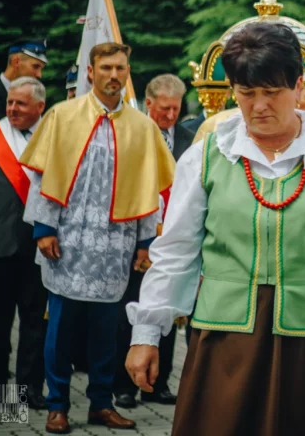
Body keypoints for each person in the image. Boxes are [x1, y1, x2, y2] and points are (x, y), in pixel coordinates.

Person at [125, 22, 305, 436]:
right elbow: (177, 251)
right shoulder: (206, 159)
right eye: (246, 93)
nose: (258, 106)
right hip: (224, 342)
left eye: (272, 92)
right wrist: (147, 332)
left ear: (299, 87)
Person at [20, 43, 176, 434]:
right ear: (90, 72)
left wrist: (144, 242)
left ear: (127, 71)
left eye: (120, 68)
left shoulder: (142, 127)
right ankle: (56, 404)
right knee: (60, 328)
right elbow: (42, 178)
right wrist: (43, 229)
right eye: (106, 67)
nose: (113, 75)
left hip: (114, 248)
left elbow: (149, 191)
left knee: (107, 333)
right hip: (67, 243)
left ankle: (101, 404)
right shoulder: (62, 115)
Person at [112, 74, 193, 410]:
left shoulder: (189, 138)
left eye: (175, 108)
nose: (171, 115)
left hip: (173, 237)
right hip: (136, 241)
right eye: (164, 109)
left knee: (168, 309)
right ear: (149, 104)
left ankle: (157, 386)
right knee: (132, 311)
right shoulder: (133, 135)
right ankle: (125, 386)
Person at [0, 77, 48, 413]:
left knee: (34, 323)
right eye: (9, 102)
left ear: (39, 107)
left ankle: (30, 390)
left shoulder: (52, 136)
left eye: (20, 104)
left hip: (39, 246)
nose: (12, 109)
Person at [0, 39, 47, 128]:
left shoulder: (35, 101)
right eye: (35, 66)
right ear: (16, 62)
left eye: (41, 69)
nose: (39, 75)